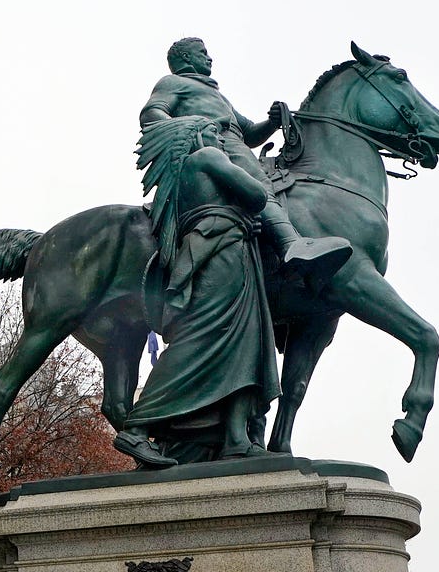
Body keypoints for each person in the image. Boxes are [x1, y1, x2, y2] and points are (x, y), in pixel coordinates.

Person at [113, 116, 282, 468]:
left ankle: (236, 437)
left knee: (246, 341)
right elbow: (255, 194)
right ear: (196, 136)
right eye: (213, 133)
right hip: (219, 254)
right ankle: (138, 426)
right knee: (202, 335)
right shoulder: (206, 156)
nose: (219, 140)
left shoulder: (185, 175)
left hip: (228, 250)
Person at [140, 37, 351, 270]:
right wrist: (193, 129)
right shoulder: (173, 82)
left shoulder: (217, 95)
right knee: (260, 185)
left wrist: (271, 123)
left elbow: (249, 133)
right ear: (186, 58)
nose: (209, 57)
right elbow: (152, 113)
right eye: (202, 52)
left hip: (235, 145)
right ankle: (290, 244)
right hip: (215, 144)